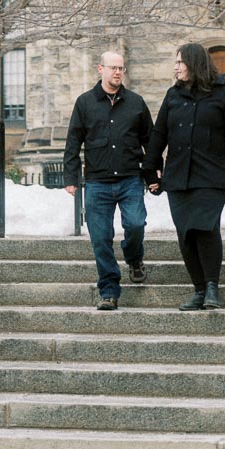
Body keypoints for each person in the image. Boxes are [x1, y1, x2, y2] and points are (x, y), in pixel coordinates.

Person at [144, 42, 225, 311]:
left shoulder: (224, 94)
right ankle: (199, 289)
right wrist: (151, 167)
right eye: (175, 63)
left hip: (212, 175)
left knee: (204, 228)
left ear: (194, 64)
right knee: (185, 234)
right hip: (179, 175)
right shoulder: (173, 96)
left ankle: (212, 287)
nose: (176, 67)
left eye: (180, 62)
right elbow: (159, 134)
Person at [63, 51, 154, 311]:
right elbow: (73, 142)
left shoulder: (136, 103)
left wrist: (153, 175)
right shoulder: (84, 103)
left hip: (130, 179)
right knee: (101, 238)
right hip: (97, 182)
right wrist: (71, 177)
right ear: (99, 69)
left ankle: (134, 259)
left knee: (135, 224)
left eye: (121, 68)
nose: (117, 72)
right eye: (112, 67)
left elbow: (151, 142)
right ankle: (109, 290)